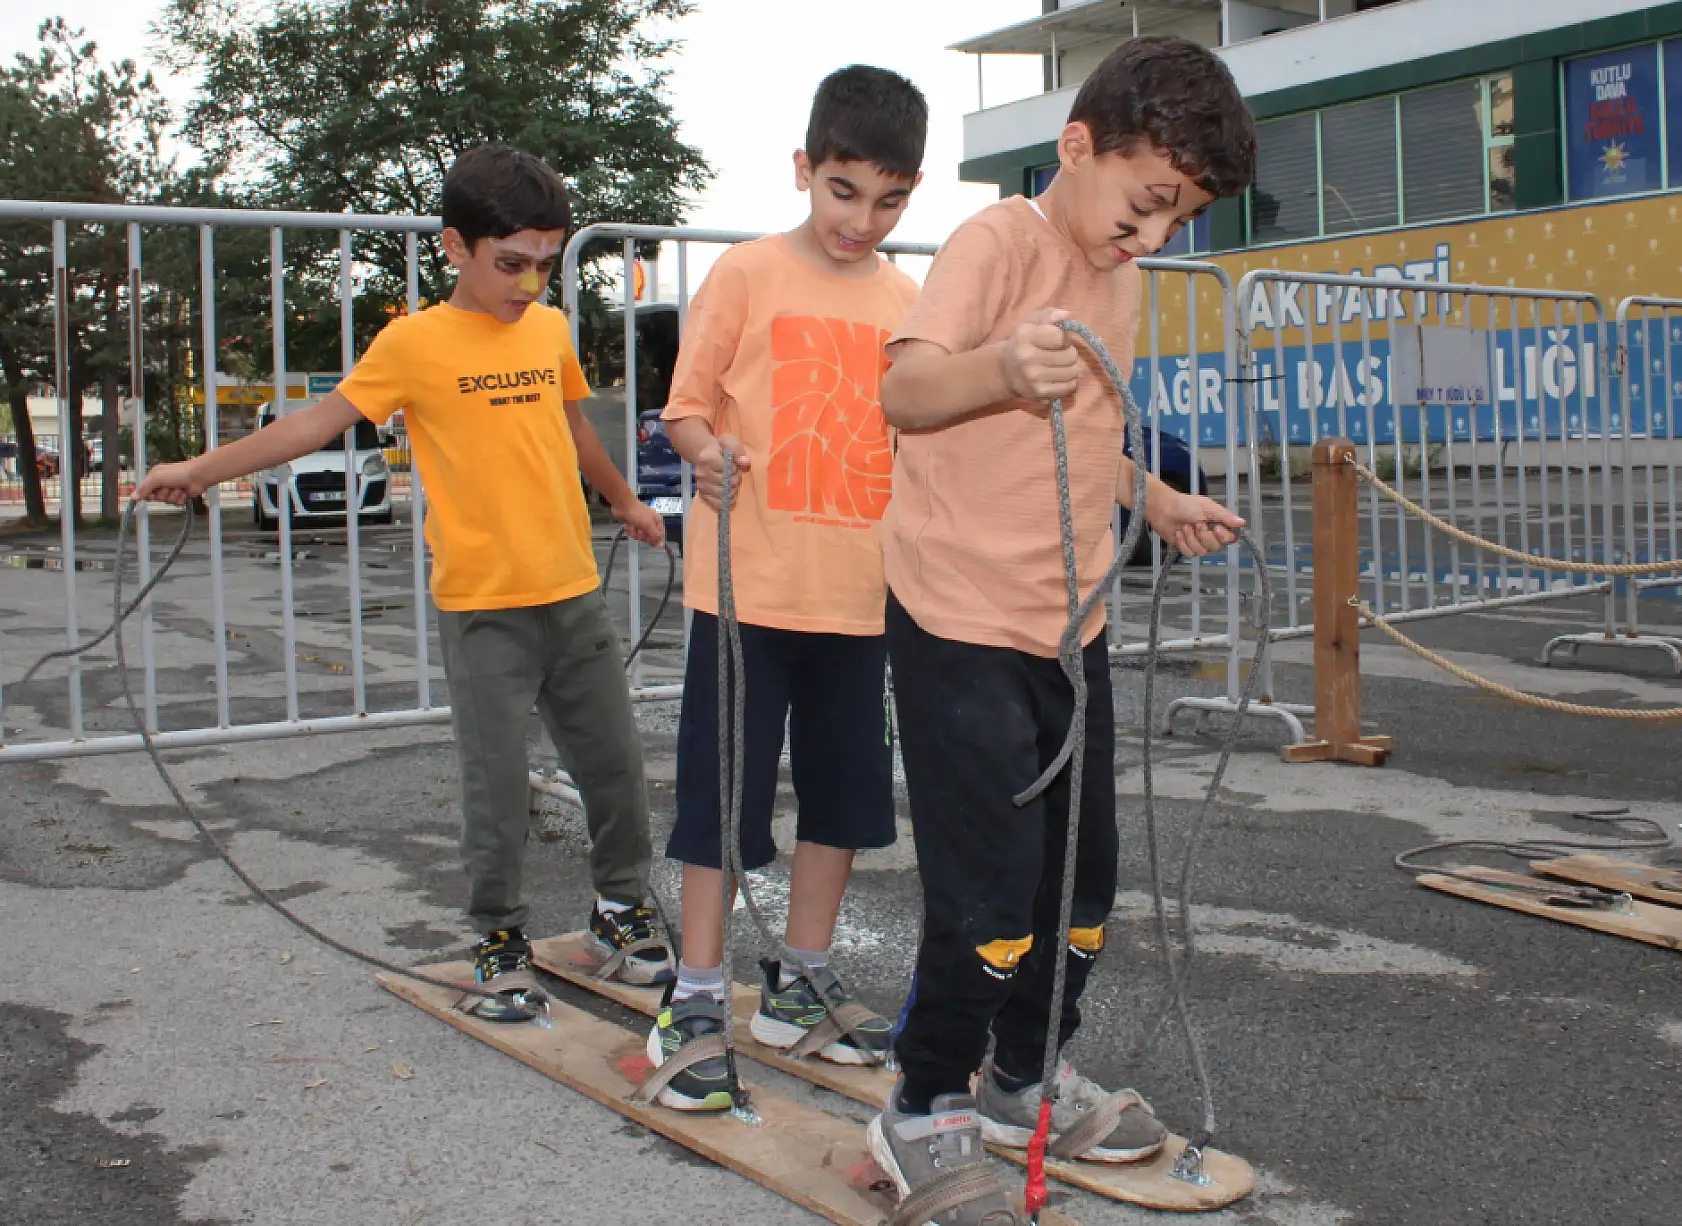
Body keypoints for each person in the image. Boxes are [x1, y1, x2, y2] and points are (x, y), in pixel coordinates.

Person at [133, 145, 675, 1011]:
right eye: (510, 265)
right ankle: (498, 935)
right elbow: (315, 423)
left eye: (544, 264)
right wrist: (201, 469)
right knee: (495, 785)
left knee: (614, 768)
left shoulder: (548, 330)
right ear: (455, 248)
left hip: (571, 590)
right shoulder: (413, 342)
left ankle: (621, 912)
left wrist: (625, 501)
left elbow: (573, 428)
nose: (530, 284)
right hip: (483, 606)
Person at [863, 37, 1258, 1220]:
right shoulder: (998, 242)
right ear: (1076, 146)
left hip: (1065, 623)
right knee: (988, 888)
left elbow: (1088, 433)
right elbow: (904, 389)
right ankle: (920, 1103)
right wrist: (995, 367)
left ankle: (1023, 1077)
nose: (1155, 235)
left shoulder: (1119, 274)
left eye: (1179, 217)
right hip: (957, 616)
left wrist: (1155, 494)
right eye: (1148, 202)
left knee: (1080, 885)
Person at [642, 64, 928, 1111]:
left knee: (845, 798)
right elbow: (681, 409)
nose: (863, 218)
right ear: (804, 169)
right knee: (720, 800)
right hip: (746, 593)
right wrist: (703, 449)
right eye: (844, 191)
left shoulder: (907, 300)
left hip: (862, 600)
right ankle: (696, 989)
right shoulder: (748, 276)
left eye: (890, 199)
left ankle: (798, 979)